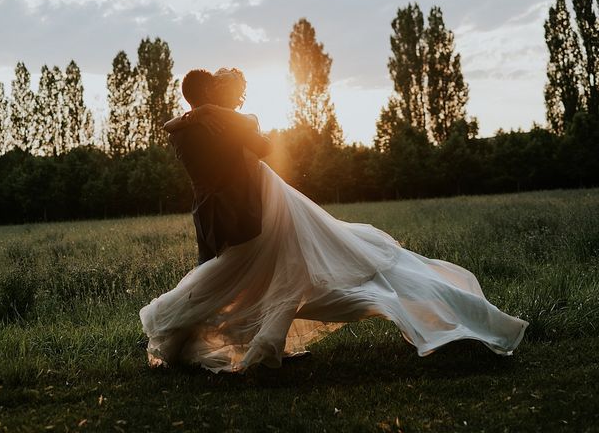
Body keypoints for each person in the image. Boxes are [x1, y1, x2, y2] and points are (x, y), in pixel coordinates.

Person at [140, 68, 528, 373]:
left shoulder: (189, 127)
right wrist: (218, 114)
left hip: (230, 210)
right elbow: (263, 149)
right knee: (291, 273)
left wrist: (205, 111)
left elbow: (187, 128)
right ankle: (258, 344)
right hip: (261, 206)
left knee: (274, 276)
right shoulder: (226, 122)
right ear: (210, 96)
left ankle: (263, 345)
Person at [164, 68, 270, 265]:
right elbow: (265, 148)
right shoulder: (225, 126)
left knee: (210, 270)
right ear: (206, 91)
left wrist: (197, 114)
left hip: (203, 213)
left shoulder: (176, 134)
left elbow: (167, 125)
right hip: (238, 208)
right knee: (246, 267)